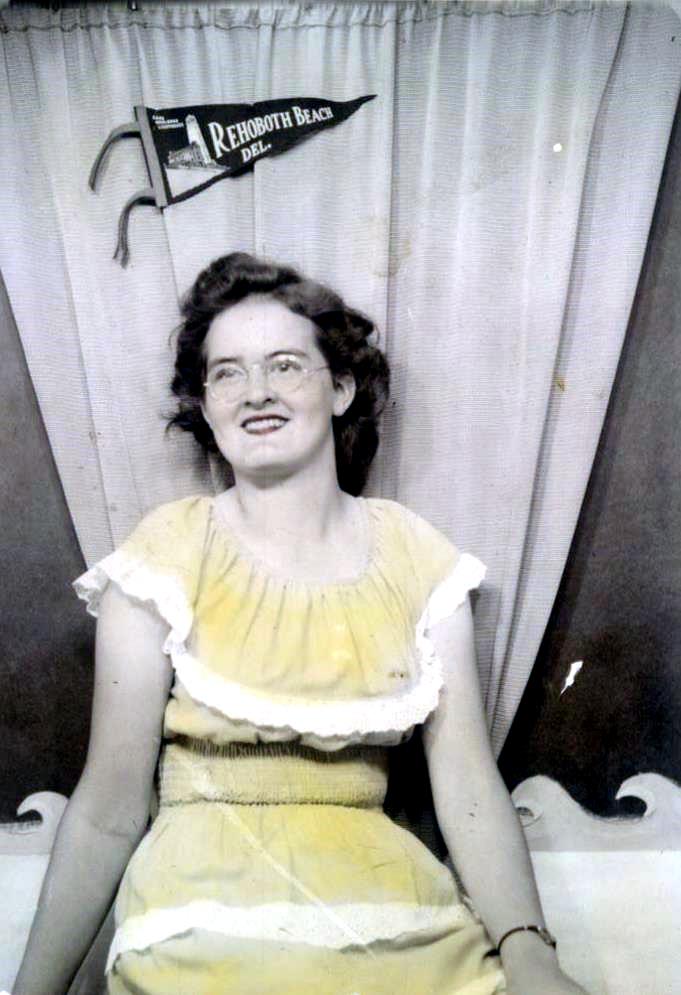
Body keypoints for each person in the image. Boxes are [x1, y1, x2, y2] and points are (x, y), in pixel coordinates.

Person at [13, 252, 587, 995]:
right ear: (205, 406)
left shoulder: (417, 556)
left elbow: (470, 792)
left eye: (284, 366)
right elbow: (108, 811)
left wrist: (531, 952)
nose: (256, 392)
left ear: (341, 388)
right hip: (202, 915)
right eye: (226, 373)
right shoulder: (165, 554)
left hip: (392, 909)